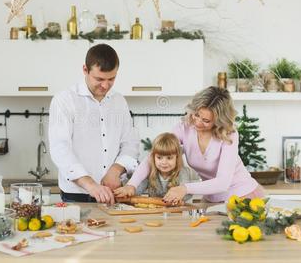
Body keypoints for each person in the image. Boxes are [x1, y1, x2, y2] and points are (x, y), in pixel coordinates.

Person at [123, 86, 264, 204]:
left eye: (206, 120)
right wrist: (132, 185)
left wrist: (184, 188)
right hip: (211, 197)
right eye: (196, 115)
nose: (197, 122)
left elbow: (223, 182)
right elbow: (156, 154)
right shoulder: (184, 127)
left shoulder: (228, 134)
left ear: (219, 120)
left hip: (243, 195)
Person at [48, 43, 139, 204]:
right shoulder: (64, 100)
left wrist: (116, 170)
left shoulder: (119, 101)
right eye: (99, 79)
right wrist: (90, 185)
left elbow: (130, 143)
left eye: (111, 79)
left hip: (113, 193)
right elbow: (60, 148)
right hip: (77, 195)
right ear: (85, 70)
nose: (105, 85)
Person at [114, 132, 191, 202]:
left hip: (176, 214)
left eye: (169, 158)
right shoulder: (150, 173)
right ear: (153, 157)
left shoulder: (182, 172)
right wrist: (127, 191)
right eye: (159, 158)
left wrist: (178, 196)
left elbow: (188, 194)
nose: (164, 162)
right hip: (154, 214)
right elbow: (137, 189)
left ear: (177, 158)